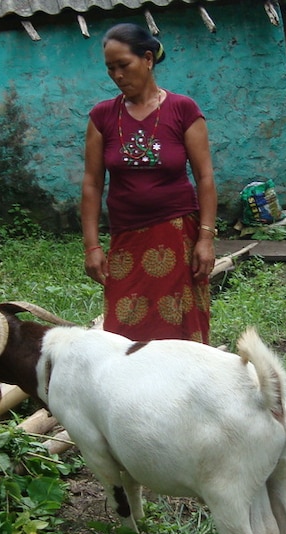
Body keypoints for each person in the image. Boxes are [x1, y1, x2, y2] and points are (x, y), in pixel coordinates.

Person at [81, 23, 218, 344]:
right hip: (127, 238)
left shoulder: (183, 110)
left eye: (123, 65)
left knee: (182, 323)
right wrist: (92, 246)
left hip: (177, 234)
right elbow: (91, 184)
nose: (117, 75)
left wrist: (206, 239)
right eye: (110, 68)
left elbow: (205, 177)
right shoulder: (102, 117)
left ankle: (185, 390)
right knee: (124, 329)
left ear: (147, 59)